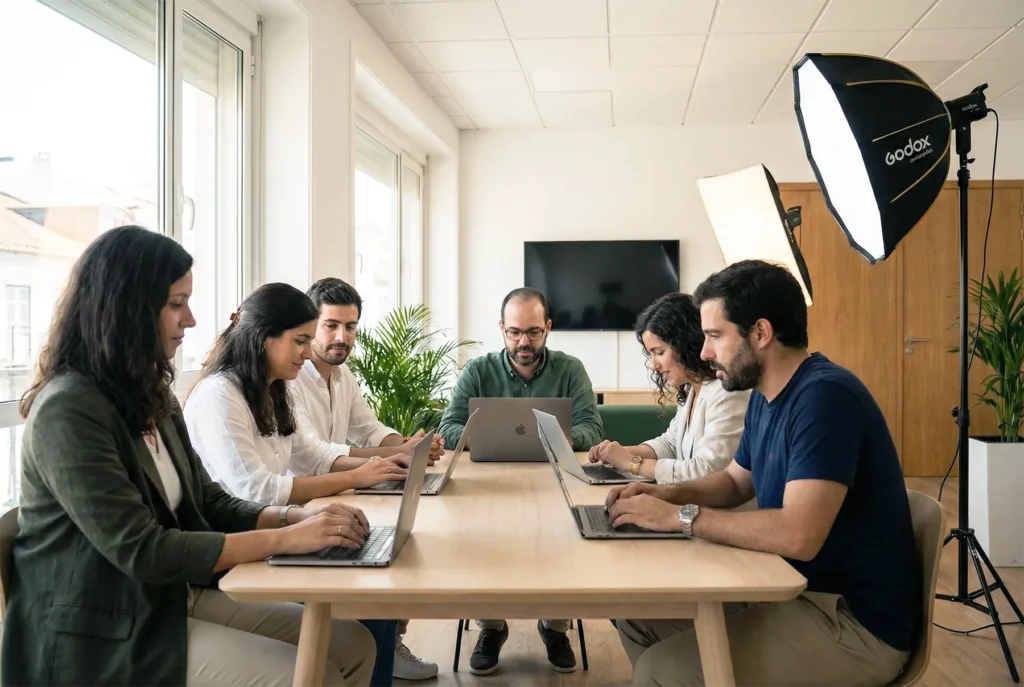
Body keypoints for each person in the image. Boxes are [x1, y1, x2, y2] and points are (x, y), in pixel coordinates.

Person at [2, 226, 376, 687]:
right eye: (177, 303)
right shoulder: (68, 410)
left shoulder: (151, 393)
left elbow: (208, 501)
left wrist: (294, 518)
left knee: (356, 646)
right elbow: (144, 550)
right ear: (127, 309)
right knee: (315, 675)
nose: (192, 319)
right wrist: (289, 539)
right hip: (105, 629)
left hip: (169, 595)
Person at [606, 260, 919, 687]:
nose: (704, 352)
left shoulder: (825, 398)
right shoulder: (765, 396)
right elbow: (735, 481)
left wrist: (680, 519)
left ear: (761, 333)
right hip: (788, 589)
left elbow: (798, 535)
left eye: (715, 336)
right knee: (638, 620)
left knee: (660, 672)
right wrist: (664, 496)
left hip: (850, 622)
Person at [184, 282, 410, 687]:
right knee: (367, 596)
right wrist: (338, 490)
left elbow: (311, 453)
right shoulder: (220, 396)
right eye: (301, 341)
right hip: (239, 550)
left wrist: (371, 466)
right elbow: (253, 490)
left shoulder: (272, 390)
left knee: (373, 591)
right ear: (262, 338)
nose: (308, 353)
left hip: (271, 528)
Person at [437, 287, 605, 676]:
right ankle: (491, 627)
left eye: (533, 332)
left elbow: (592, 427)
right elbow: (448, 425)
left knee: (569, 536)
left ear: (548, 328)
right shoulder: (478, 371)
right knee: (475, 540)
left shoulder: (570, 369)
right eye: (514, 332)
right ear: (501, 329)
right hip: (487, 484)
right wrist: (483, 435)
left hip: (555, 482)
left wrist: (556, 437)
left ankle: (555, 626)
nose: (523, 342)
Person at [289, 277, 439, 681]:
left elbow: (370, 430)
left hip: (334, 495)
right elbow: (314, 452)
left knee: (404, 543)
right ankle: (379, 652)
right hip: (302, 505)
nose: (342, 337)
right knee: (387, 562)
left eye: (351, 326)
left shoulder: (342, 376)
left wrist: (403, 443)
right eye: (331, 325)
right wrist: (395, 455)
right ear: (310, 325)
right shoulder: (291, 378)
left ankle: (387, 650)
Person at [588, 292, 750, 484]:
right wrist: (616, 453)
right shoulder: (692, 389)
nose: (654, 365)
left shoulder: (728, 393)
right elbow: (670, 444)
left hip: (719, 511)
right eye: (651, 355)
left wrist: (630, 462)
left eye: (659, 352)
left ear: (687, 343)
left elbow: (707, 470)